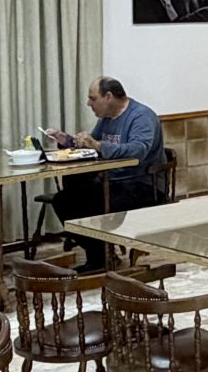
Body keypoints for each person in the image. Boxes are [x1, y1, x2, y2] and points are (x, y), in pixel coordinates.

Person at [48, 76, 168, 261]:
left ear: (109, 97)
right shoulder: (106, 119)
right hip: (112, 181)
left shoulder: (141, 117)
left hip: (142, 184)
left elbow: (138, 151)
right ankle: (100, 255)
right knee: (63, 200)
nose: (89, 104)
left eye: (93, 98)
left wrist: (98, 145)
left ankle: (100, 258)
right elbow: (92, 146)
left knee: (88, 205)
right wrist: (67, 141)